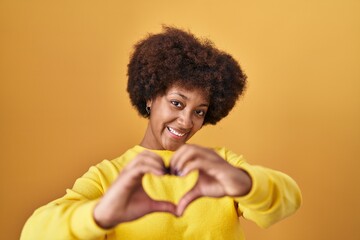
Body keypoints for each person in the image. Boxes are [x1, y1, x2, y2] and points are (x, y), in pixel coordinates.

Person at [21, 26, 302, 240]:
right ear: (150, 97)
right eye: (177, 103)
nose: (185, 121)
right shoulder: (109, 176)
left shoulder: (219, 165)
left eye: (199, 111)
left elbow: (288, 199)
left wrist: (242, 183)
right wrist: (100, 214)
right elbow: (34, 233)